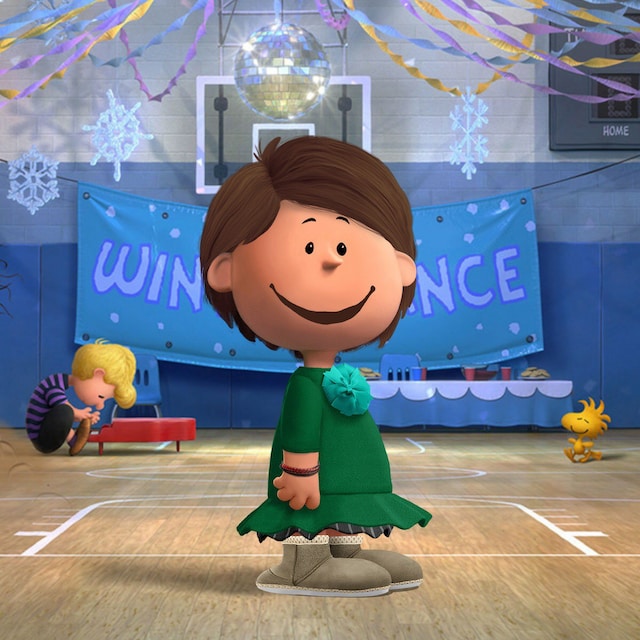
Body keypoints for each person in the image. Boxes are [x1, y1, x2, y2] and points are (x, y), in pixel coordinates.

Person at [200, 136, 432, 597]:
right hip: (308, 478)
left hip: (347, 471)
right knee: (309, 511)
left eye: (345, 245)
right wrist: (300, 471)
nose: (329, 257)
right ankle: (301, 566)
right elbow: (301, 429)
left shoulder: (340, 376)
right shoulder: (307, 384)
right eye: (307, 245)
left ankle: (345, 552)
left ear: (402, 265)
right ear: (227, 270)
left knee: (340, 503)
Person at [25, 340, 137, 455]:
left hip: (46, 431)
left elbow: (59, 417)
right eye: (101, 397)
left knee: (65, 412)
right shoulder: (53, 384)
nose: (100, 406)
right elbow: (61, 406)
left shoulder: (57, 381)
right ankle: (74, 441)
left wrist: (83, 417)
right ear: (98, 374)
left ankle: (77, 435)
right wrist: (79, 413)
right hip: (41, 438)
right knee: (65, 410)